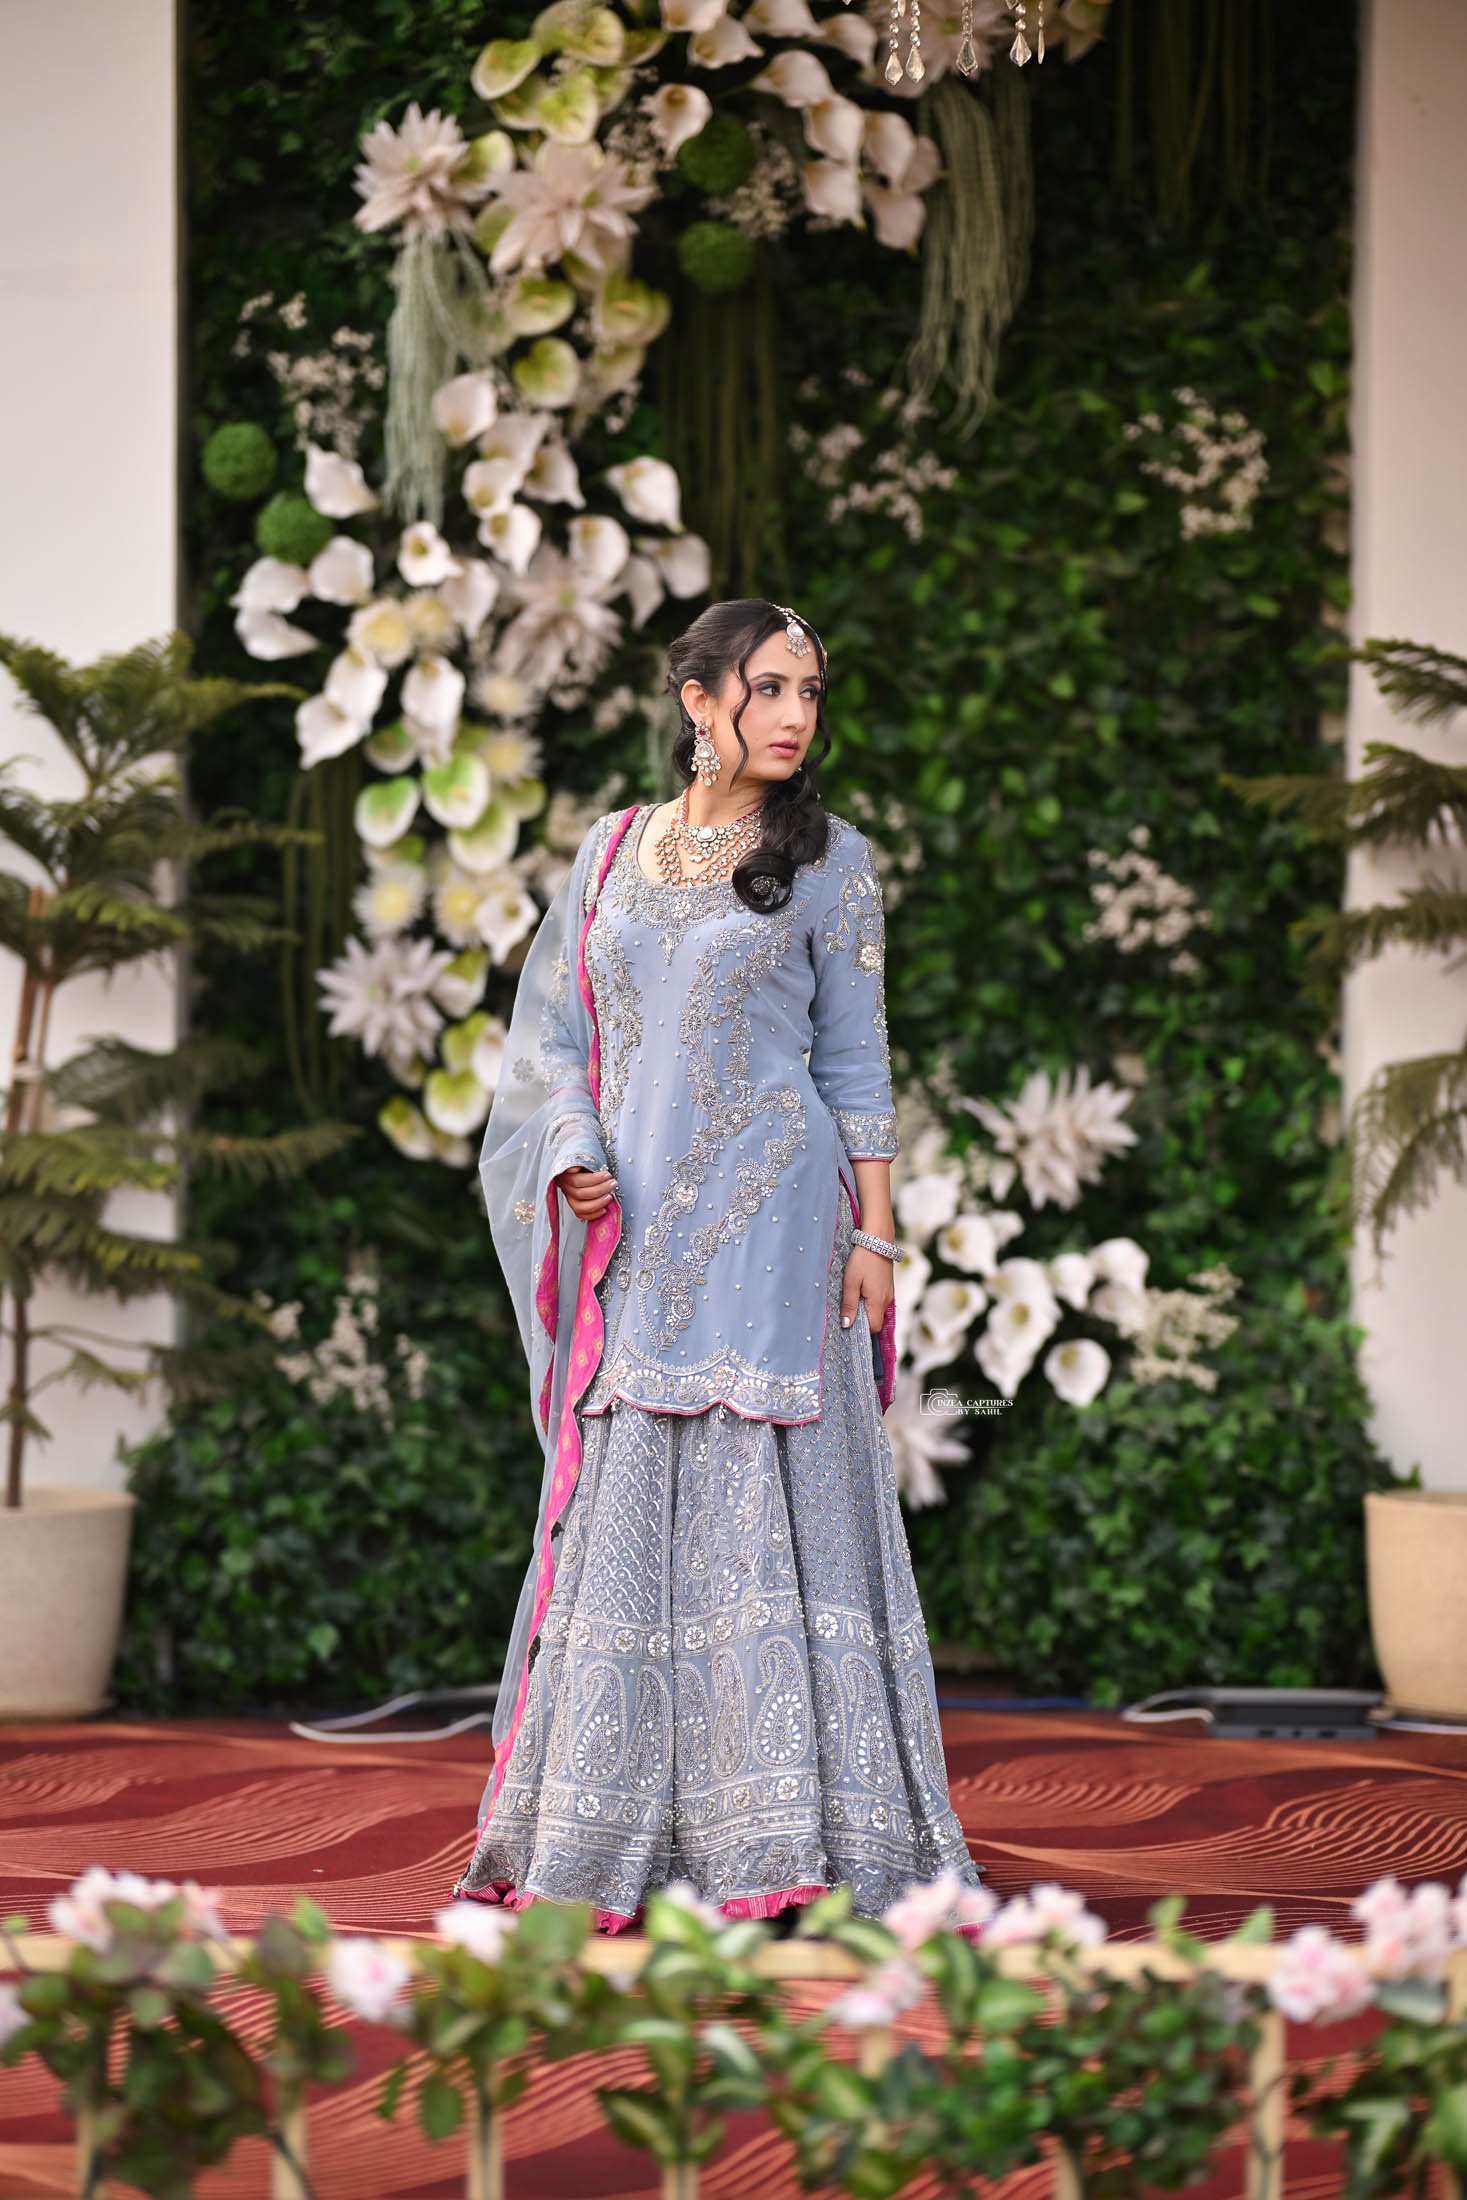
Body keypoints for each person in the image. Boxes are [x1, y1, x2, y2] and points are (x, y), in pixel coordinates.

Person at [449, 597, 985, 1933]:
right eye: (771, 688)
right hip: (637, 1235)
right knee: (634, 1502)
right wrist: (575, 1145)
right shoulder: (609, 852)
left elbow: (855, 1062)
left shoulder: (832, 862)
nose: (798, 716)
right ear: (699, 700)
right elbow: (557, 1039)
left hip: (778, 1229)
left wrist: (877, 1236)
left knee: (769, 1501)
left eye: (811, 693)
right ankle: (613, 1840)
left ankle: (793, 1843)